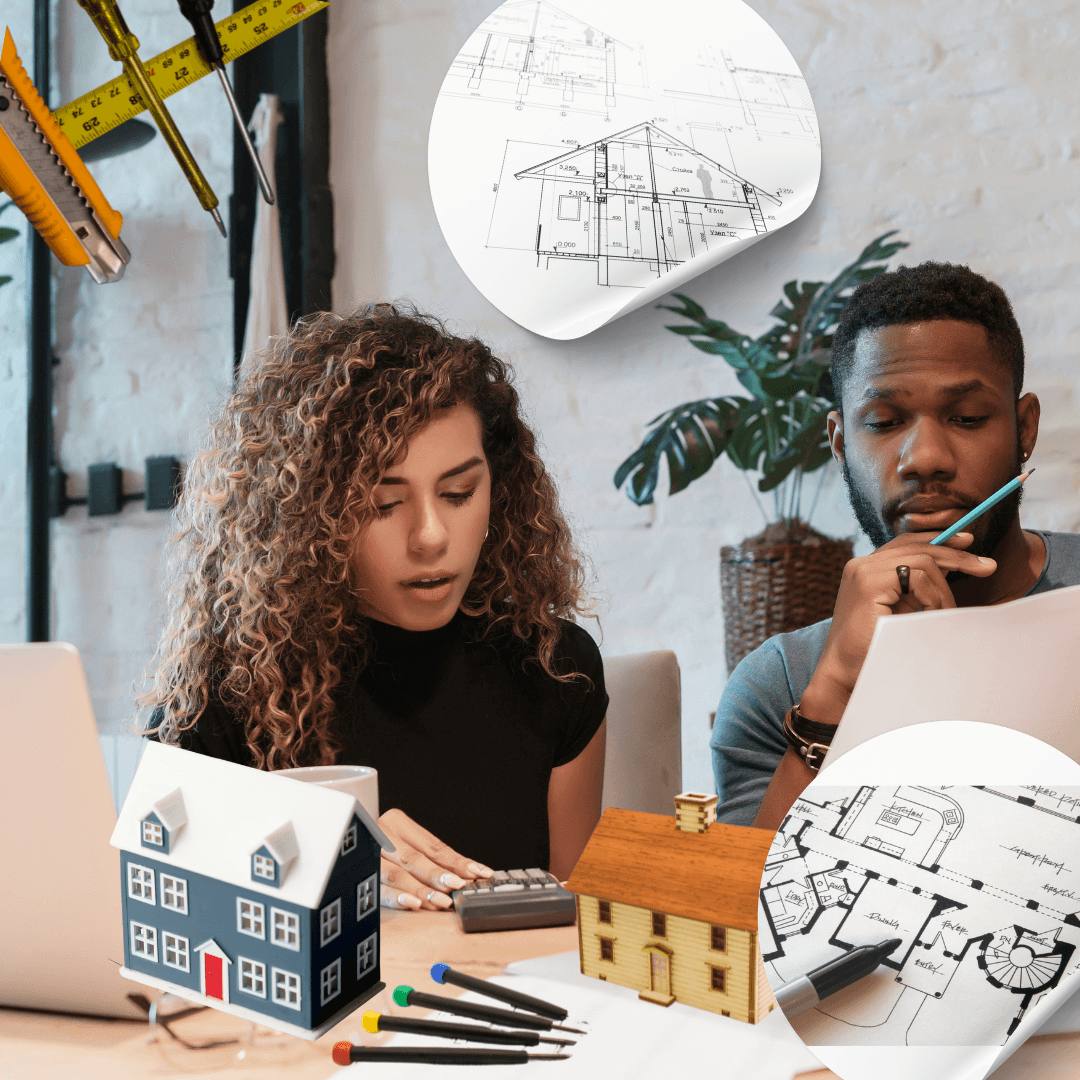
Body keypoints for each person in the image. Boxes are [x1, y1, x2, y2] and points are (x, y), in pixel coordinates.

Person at [143, 304, 607, 909]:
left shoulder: (554, 666)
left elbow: (577, 931)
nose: (432, 536)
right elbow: (161, 904)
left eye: (459, 492)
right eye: (384, 503)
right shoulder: (228, 686)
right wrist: (317, 861)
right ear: (308, 518)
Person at [711, 262, 1080, 829]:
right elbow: (746, 909)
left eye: (967, 417)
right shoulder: (781, 685)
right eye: (883, 422)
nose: (925, 457)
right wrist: (835, 688)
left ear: (1024, 428)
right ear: (838, 442)